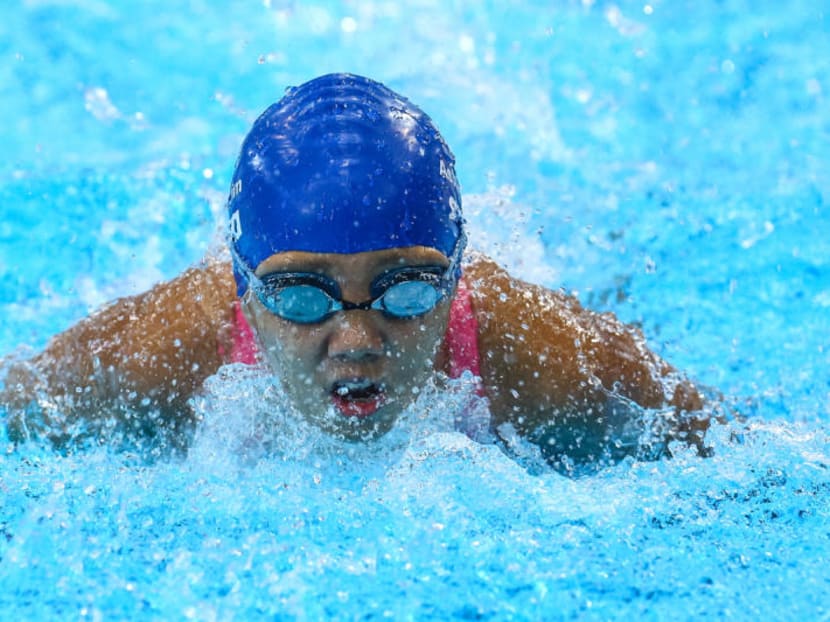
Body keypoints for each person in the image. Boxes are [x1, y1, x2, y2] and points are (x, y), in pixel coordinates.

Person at [0, 73, 709, 469]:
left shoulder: (547, 361)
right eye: (302, 297)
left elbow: (736, 456)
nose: (358, 340)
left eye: (406, 290)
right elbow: (18, 405)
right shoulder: (165, 350)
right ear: (245, 292)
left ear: (455, 281)